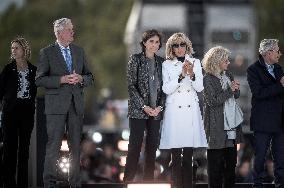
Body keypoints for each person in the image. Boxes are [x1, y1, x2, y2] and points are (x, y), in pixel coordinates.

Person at [35, 18, 94, 188]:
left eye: (72, 29)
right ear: (59, 33)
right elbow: (39, 80)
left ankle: (75, 184)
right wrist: (61, 79)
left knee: (75, 147)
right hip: (56, 108)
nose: (73, 32)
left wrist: (81, 78)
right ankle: (49, 184)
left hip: (76, 106)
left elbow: (90, 77)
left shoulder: (79, 51)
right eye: (70, 30)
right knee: (53, 146)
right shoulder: (47, 52)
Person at [159, 33, 207, 188]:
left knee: (188, 157)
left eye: (182, 45)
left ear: (187, 46)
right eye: (176, 45)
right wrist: (181, 76)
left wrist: (192, 74)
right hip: (174, 112)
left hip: (190, 111)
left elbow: (200, 87)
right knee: (175, 158)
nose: (179, 48)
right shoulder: (166, 65)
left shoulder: (196, 62)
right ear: (171, 48)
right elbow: (166, 89)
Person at [124, 29, 165, 182]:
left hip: (156, 112)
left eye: (157, 42)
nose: (154, 44)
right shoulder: (135, 59)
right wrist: (143, 106)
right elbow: (131, 86)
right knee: (134, 147)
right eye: (151, 41)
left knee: (152, 149)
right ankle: (127, 181)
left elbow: (165, 89)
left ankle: (148, 182)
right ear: (144, 43)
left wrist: (159, 107)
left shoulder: (162, 62)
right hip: (138, 111)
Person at [202, 46, 243, 188]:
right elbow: (212, 102)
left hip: (231, 129)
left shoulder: (228, 75)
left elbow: (235, 96)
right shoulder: (207, 79)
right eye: (225, 60)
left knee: (231, 169)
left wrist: (236, 89)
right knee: (215, 170)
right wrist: (229, 90)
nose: (228, 62)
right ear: (217, 61)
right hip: (216, 129)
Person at [0, 37, 37, 188]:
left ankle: (23, 185)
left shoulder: (34, 70)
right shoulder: (8, 69)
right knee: (9, 151)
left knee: (24, 151)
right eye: (12, 48)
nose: (13, 51)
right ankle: (9, 184)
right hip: (10, 113)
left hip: (27, 114)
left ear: (24, 50)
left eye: (16, 48)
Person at [247, 39, 284, 188]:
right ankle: (257, 184)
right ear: (268, 53)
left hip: (280, 121)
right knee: (260, 156)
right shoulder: (253, 70)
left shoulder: (278, 69)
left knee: (280, 156)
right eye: (277, 51)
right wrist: (280, 85)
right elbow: (259, 93)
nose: (279, 54)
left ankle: (280, 183)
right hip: (262, 122)